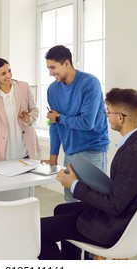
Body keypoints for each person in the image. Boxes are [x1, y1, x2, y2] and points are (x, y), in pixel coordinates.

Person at [38, 87, 137, 260]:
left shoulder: (133, 153)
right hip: (122, 215)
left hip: (113, 227)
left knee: (38, 232)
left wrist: (74, 185)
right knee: (60, 209)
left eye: (108, 112)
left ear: (120, 117)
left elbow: (114, 206)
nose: (106, 115)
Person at [41, 45, 109, 203]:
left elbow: (87, 123)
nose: (50, 73)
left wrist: (59, 118)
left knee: (93, 204)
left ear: (66, 64)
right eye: (48, 68)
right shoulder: (52, 90)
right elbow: (54, 125)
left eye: (53, 67)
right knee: (70, 202)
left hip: (92, 153)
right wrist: (53, 157)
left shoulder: (90, 83)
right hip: (70, 154)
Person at [0, 58, 40, 165]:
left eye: (9, 71)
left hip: (26, 151)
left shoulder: (23, 87)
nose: (9, 75)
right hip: (4, 155)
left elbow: (34, 110)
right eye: (3, 73)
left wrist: (28, 118)